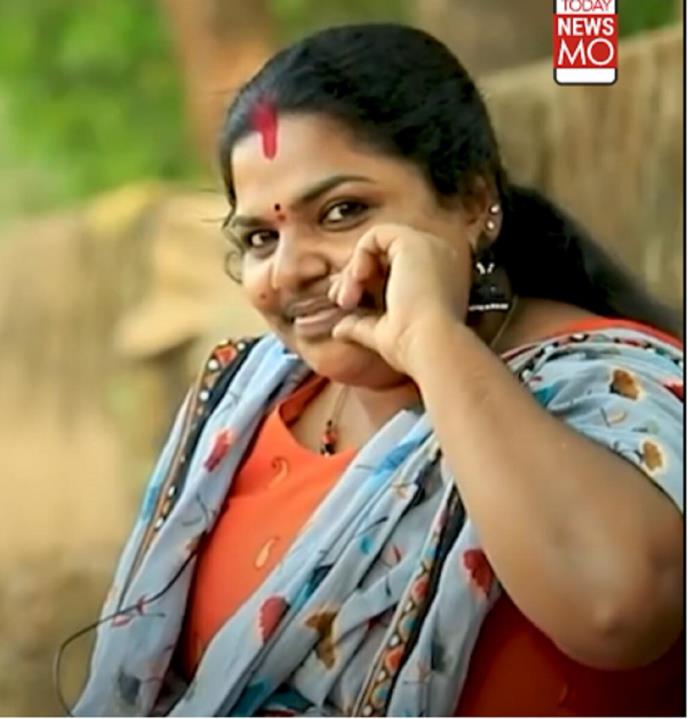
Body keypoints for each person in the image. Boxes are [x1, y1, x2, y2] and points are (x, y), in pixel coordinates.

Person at [72, 23, 684, 717]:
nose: (290, 269)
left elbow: (615, 609)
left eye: (342, 212)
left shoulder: (617, 385)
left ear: (473, 201)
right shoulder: (239, 404)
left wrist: (433, 342)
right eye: (261, 237)